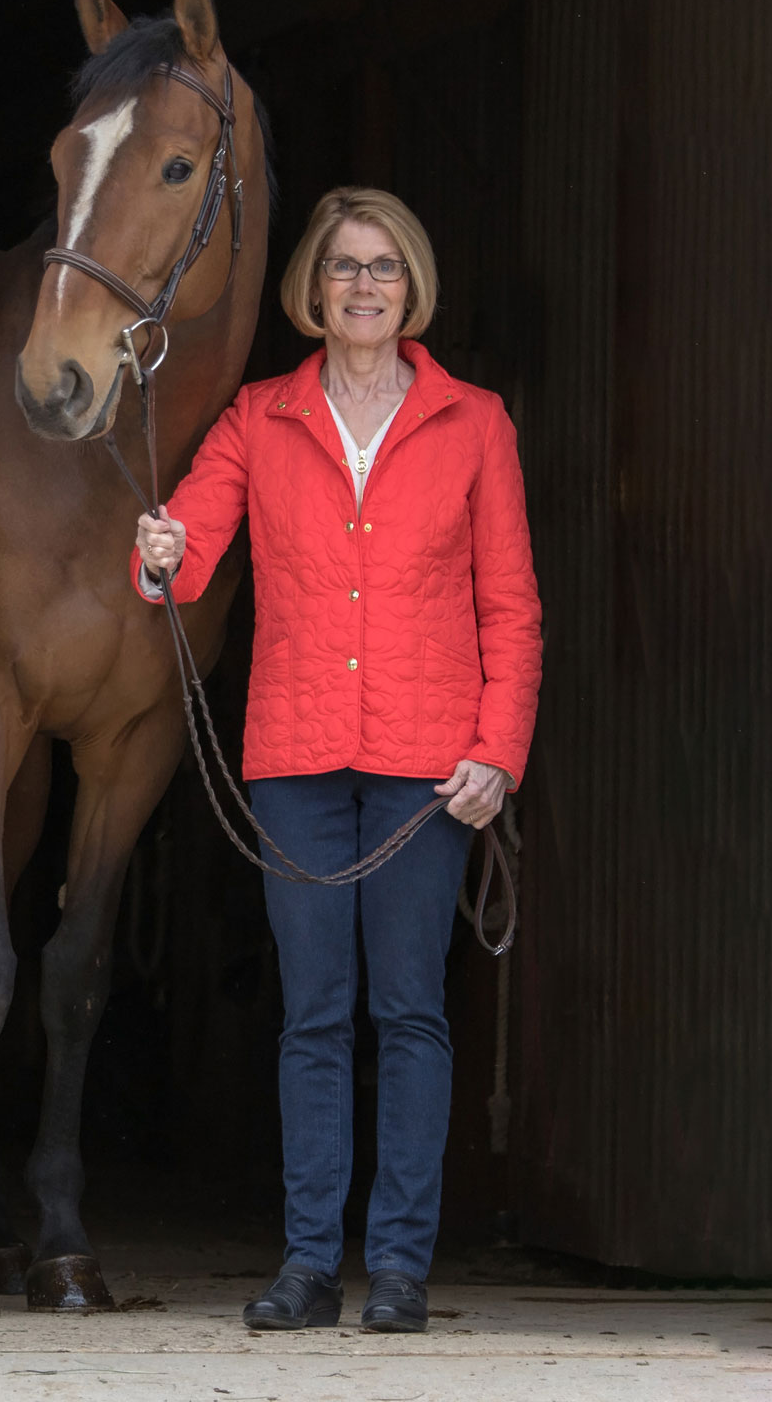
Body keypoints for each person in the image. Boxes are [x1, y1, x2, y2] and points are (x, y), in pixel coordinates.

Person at [133, 187, 541, 1334]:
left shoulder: (475, 424)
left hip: (428, 765)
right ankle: (311, 1265)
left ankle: (400, 1270)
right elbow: (189, 555)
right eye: (345, 268)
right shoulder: (259, 419)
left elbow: (511, 608)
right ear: (311, 291)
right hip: (299, 755)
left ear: (412, 289)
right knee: (314, 1014)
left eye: (385, 269)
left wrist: (497, 752)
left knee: (409, 1013)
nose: (364, 286)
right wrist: (161, 548)